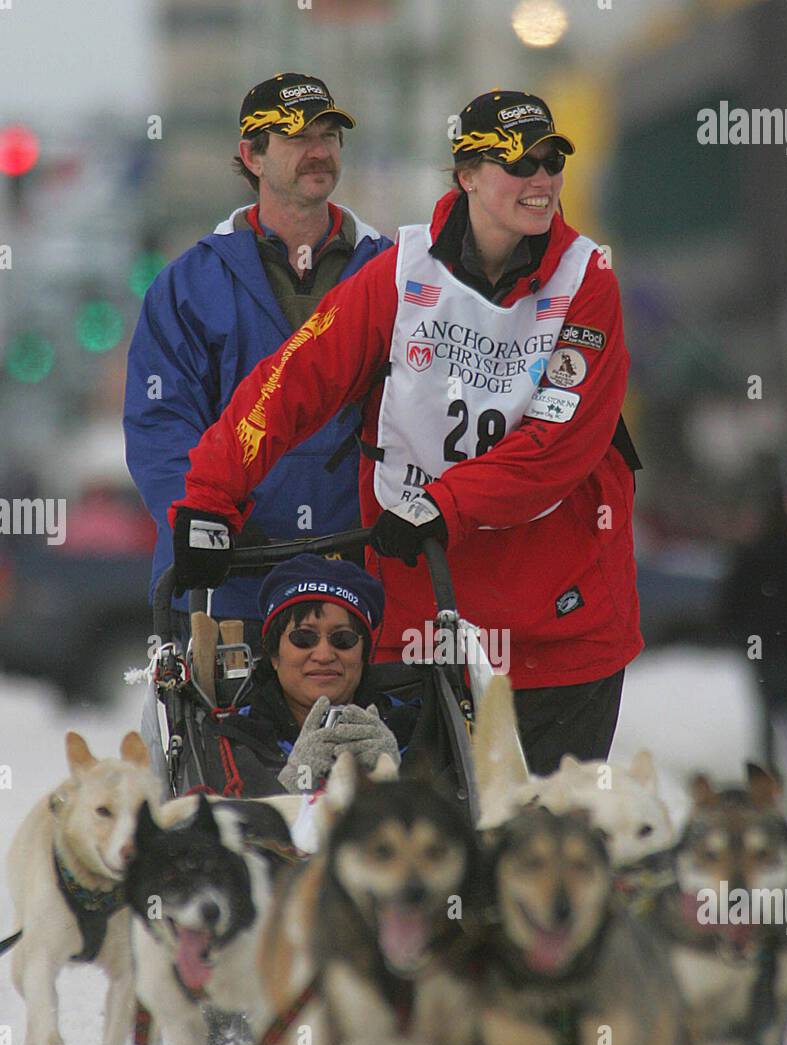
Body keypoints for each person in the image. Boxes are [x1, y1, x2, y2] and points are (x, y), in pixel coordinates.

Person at [168, 89, 643, 776]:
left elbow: (558, 444)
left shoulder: (586, 278)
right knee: (423, 841)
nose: (540, 181)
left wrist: (440, 504)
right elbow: (291, 383)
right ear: (468, 175)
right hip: (423, 613)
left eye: (550, 163)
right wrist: (210, 495)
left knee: (537, 850)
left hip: (558, 617)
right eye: (518, 165)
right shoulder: (401, 275)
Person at [124, 72, 392, 653]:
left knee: (371, 745)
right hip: (227, 584)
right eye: (297, 138)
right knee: (229, 743)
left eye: (329, 134)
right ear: (253, 156)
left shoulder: (395, 274)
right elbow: (159, 424)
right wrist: (197, 520)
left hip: (367, 575)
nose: (319, 151)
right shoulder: (188, 285)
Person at [210, 555, 410, 798]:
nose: (324, 655)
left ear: (363, 654)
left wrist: (396, 779)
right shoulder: (233, 741)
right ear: (274, 655)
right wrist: (293, 781)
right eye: (304, 638)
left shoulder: (410, 728)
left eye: (343, 639)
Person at [719, 486, 787, 790]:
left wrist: (740, 635)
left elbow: (731, 600)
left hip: (763, 645)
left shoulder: (751, 555)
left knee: (767, 713)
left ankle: (768, 776)